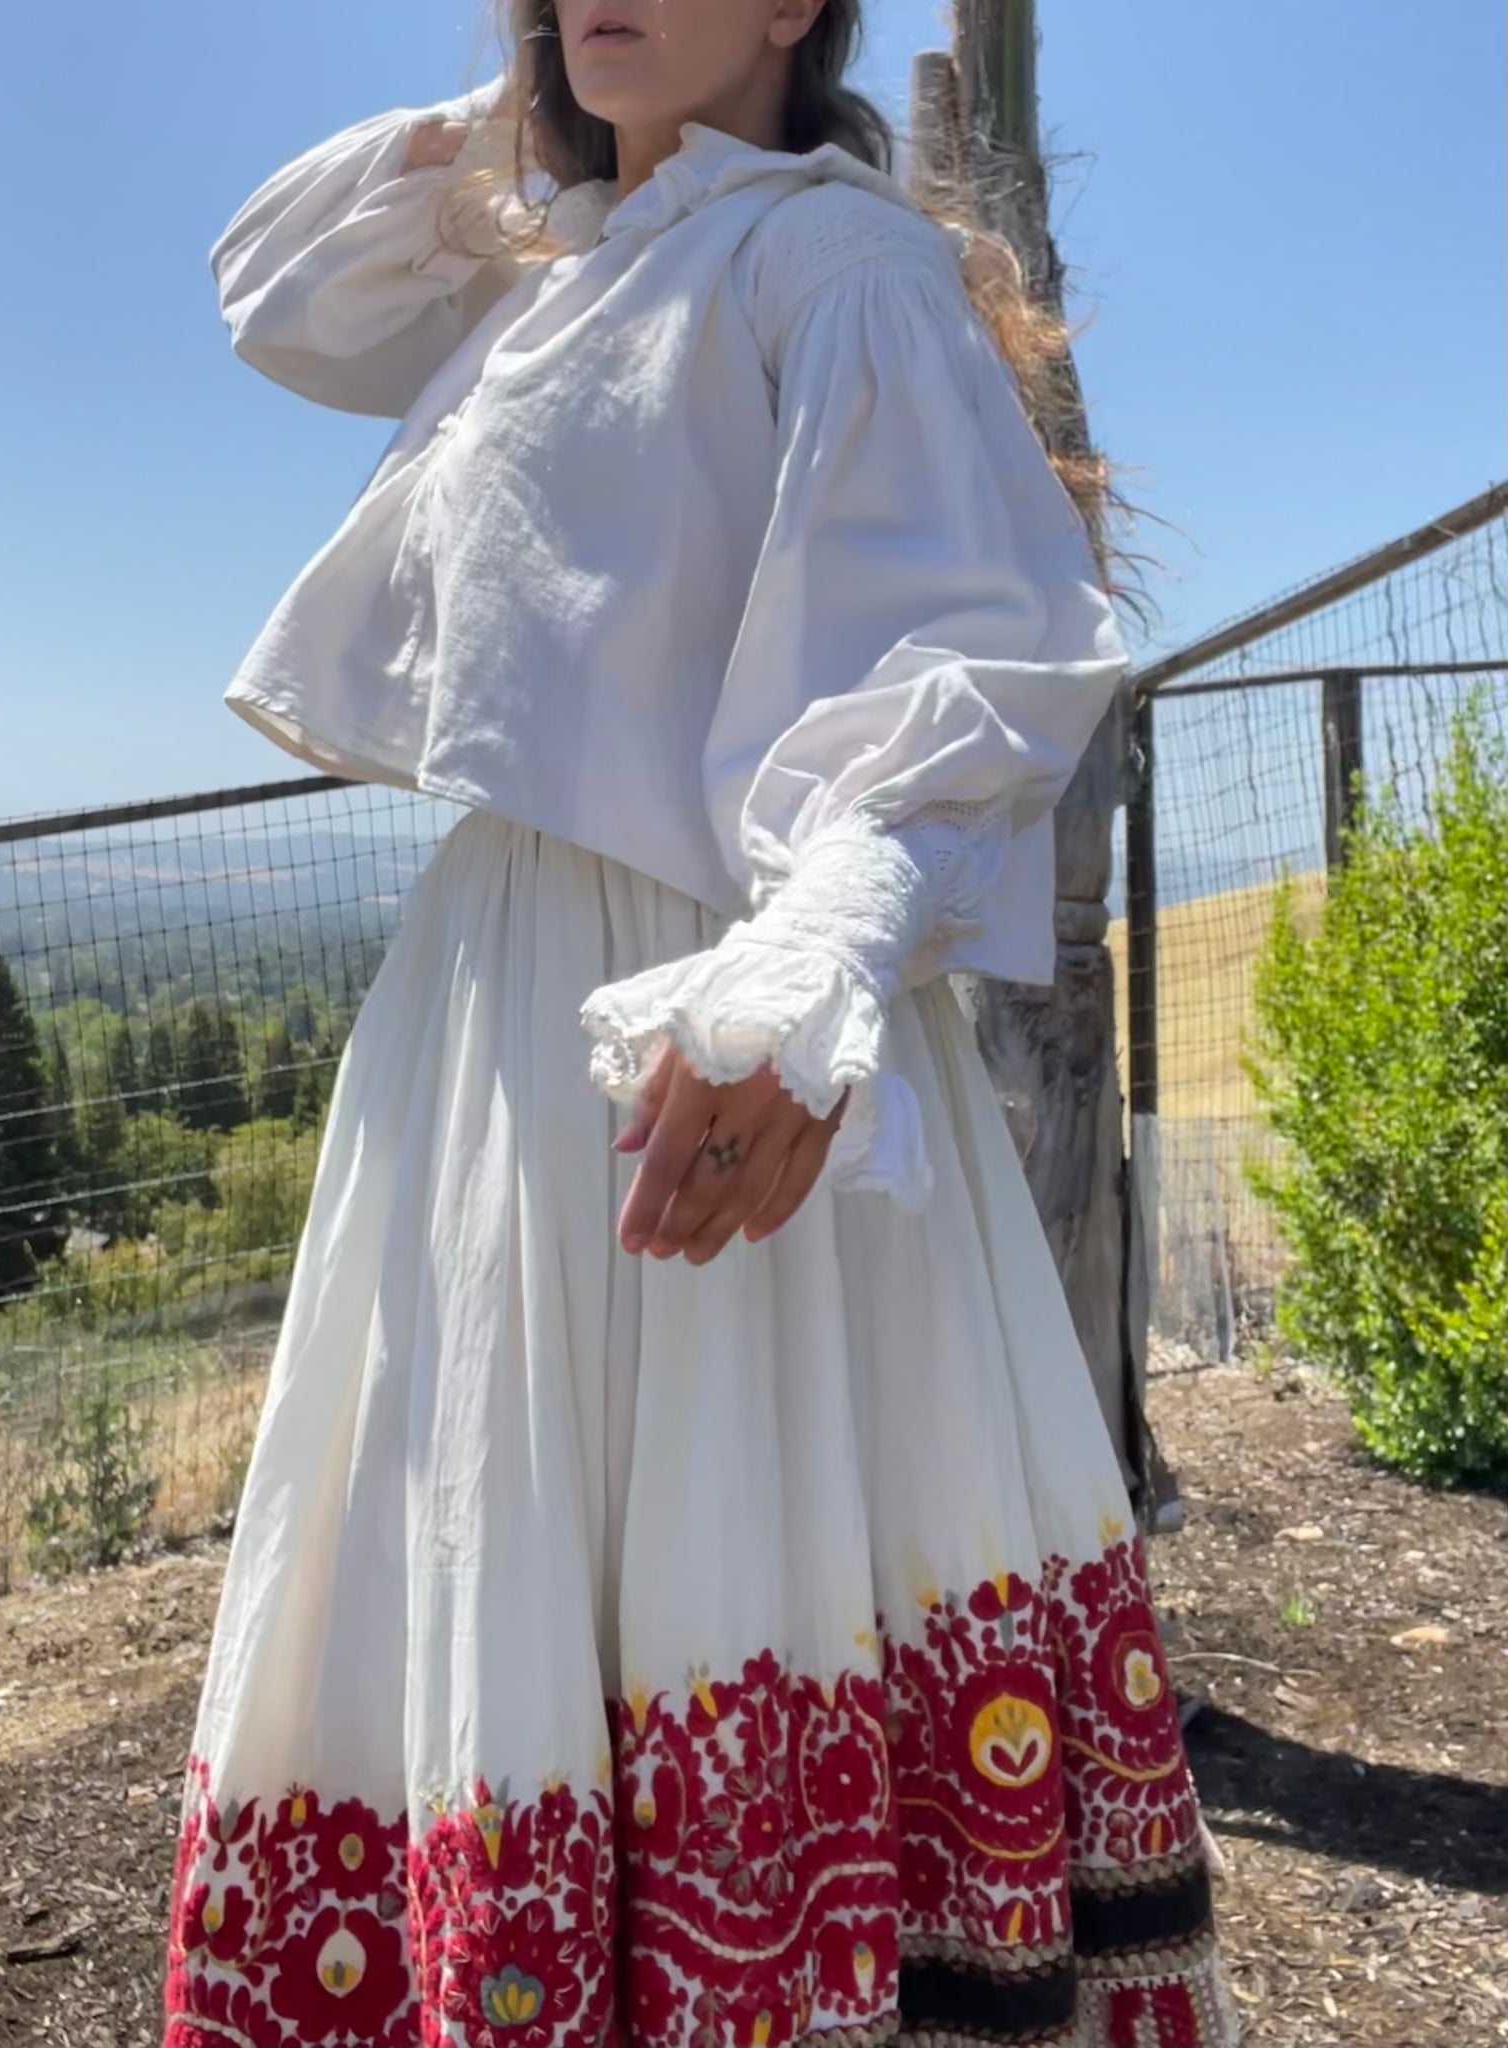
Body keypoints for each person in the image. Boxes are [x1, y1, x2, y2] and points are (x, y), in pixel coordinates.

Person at [163, 3, 1233, 2044]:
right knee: (493, 1544)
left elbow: (980, 653)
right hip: (487, 1015)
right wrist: (538, 122)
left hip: (715, 1017)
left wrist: (811, 976)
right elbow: (278, 291)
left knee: (732, 1550)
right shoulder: (563, 261)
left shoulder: (830, 261)